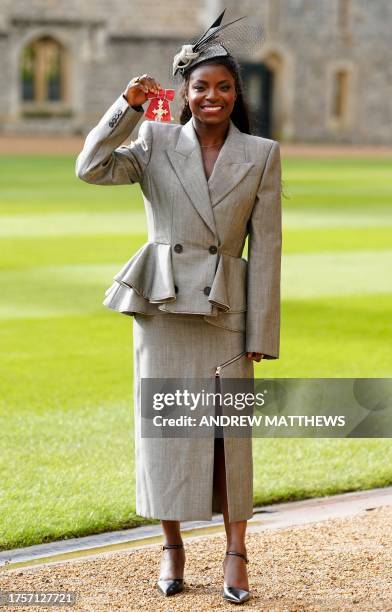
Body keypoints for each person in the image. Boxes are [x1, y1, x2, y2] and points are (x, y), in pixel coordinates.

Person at [75, 10, 282, 605]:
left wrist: (263, 328)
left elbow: (266, 246)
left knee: (229, 437)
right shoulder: (154, 138)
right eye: (200, 86)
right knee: (167, 431)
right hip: (162, 304)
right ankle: (171, 546)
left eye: (223, 87)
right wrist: (127, 106)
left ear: (236, 93)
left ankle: (236, 550)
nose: (211, 96)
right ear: (183, 92)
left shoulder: (263, 153)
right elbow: (90, 167)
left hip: (227, 313)